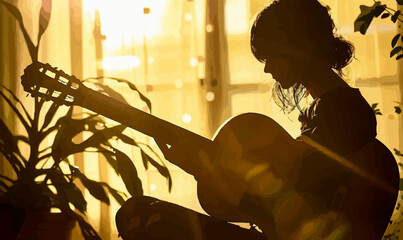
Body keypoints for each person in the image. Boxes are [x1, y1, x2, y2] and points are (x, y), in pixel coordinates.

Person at [116, 0, 399, 239]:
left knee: (141, 214)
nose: (267, 69)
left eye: (271, 56)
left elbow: (288, 220)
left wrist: (207, 170)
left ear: (297, 47)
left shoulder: (341, 116)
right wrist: (202, 169)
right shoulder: (328, 111)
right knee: (139, 212)